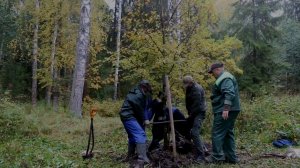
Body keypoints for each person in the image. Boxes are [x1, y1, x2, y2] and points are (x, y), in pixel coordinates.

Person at [208, 62, 241, 164]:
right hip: (231, 109)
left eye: (212, 72)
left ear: (217, 69)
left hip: (225, 110)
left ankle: (217, 158)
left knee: (217, 133)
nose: (212, 75)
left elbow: (229, 93)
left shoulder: (224, 78)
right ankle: (231, 158)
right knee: (227, 133)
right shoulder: (225, 77)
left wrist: (226, 108)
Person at [119, 80, 152, 164]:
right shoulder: (139, 95)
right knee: (140, 134)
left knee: (132, 136)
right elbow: (140, 109)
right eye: (146, 89)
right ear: (143, 87)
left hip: (126, 115)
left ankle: (130, 155)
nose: (147, 91)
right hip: (129, 116)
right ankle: (142, 159)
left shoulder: (135, 91)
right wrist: (145, 119)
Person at [183, 75, 207, 162]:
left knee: (194, 132)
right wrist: (189, 113)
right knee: (186, 127)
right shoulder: (189, 88)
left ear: (191, 82)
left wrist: (191, 115)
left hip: (199, 113)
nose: (185, 86)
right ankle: (187, 147)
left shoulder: (197, 89)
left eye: (186, 84)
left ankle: (201, 155)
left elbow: (196, 106)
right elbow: (188, 102)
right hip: (192, 113)